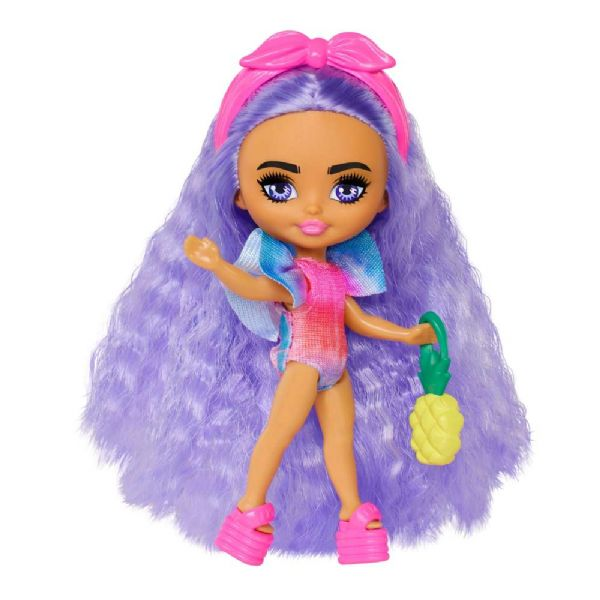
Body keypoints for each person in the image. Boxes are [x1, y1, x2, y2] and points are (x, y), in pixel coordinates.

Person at [84, 31, 530, 566]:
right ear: (239, 192)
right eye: (280, 186)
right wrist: (220, 266)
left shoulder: (340, 277)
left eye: (347, 188)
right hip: (301, 364)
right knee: (278, 433)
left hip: (335, 371)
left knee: (340, 440)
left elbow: (356, 318)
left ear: (385, 198)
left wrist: (409, 334)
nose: (313, 208)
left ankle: (353, 514)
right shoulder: (291, 275)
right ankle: (250, 507)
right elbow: (260, 289)